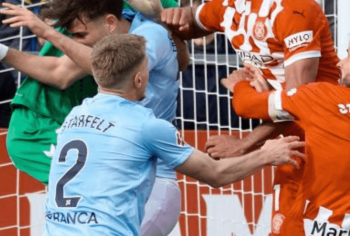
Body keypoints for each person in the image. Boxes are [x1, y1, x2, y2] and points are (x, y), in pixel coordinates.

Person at [161, 0, 339, 232]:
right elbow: (187, 22)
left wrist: (244, 144)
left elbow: (302, 102)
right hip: (290, 140)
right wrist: (156, 4)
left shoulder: (295, 9)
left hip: (321, 140)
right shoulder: (234, 0)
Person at [44, 32, 304, 236]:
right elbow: (215, 174)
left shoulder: (75, 115)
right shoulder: (147, 125)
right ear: (138, 79)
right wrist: (266, 154)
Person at [2, 0, 183, 236]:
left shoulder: (147, 35)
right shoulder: (107, 44)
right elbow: (59, 71)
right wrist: (4, 52)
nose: (76, 43)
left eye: (80, 35)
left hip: (150, 185)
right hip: (123, 175)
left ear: (110, 22)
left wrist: (48, 33)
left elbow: (126, 68)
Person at [226, 24, 350, 235]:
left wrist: (239, 85)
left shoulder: (322, 98)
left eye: (348, 56)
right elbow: (333, 133)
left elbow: (245, 105)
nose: (340, 62)